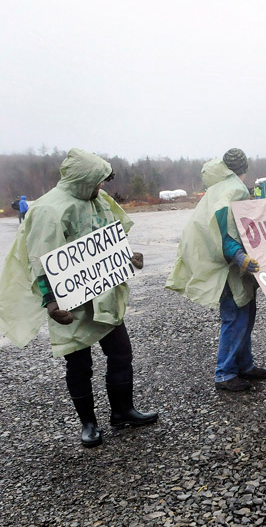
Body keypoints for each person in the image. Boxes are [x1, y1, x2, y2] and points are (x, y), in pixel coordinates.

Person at [0, 148, 158, 448]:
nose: (102, 187)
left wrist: (128, 257)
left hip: (105, 294)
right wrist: (50, 301)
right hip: (70, 302)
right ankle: (88, 424)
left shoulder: (98, 200)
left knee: (121, 353)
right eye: (98, 181)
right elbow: (40, 258)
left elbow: (109, 238)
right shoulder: (49, 209)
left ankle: (123, 411)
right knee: (79, 364)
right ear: (83, 179)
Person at [166, 149, 266, 392]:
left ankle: (245, 365)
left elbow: (244, 220)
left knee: (246, 313)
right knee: (234, 318)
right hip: (226, 266)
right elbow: (222, 231)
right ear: (244, 170)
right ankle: (225, 373)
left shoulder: (221, 188)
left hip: (231, 264)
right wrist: (239, 256)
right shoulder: (233, 189)